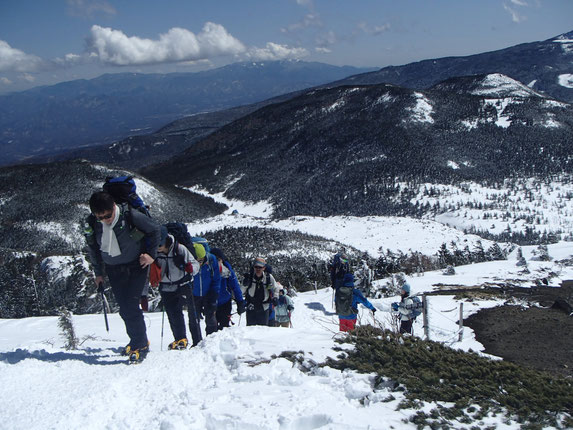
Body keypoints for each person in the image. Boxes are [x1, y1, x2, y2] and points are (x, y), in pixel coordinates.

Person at [84, 191, 161, 363]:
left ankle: (140, 344)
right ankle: (137, 339)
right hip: (113, 269)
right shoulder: (93, 224)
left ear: (114, 207)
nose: (106, 220)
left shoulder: (130, 215)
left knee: (131, 305)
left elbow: (155, 230)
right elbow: (93, 249)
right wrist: (98, 273)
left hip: (136, 265)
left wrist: (151, 255)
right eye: (101, 217)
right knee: (124, 308)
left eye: (108, 215)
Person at [152, 226, 201, 349]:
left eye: (160, 245)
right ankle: (180, 339)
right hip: (166, 286)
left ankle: (198, 342)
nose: (158, 248)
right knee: (173, 314)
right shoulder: (155, 252)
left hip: (183, 284)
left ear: (166, 241)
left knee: (192, 314)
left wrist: (191, 270)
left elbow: (195, 264)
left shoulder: (180, 249)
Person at [210, 248, 246, 330]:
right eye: (214, 259)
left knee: (224, 327)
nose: (216, 262)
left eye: (218, 259)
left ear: (222, 260)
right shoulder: (208, 270)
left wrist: (240, 302)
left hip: (224, 303)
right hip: (211, 302)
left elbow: (235, 286)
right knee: (211, 328)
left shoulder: (227, 271)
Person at [192, 243, 221, 339]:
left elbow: (217, 279)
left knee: (211, 318)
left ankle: (211, 340)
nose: (199, 263)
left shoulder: (212, 260)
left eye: (200, 261)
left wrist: (214, 294)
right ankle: (196, 341)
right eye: (196, 261)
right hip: (194, 294)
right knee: (194, 320)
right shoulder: (189, 261)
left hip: (209, 293)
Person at [243, 257, 278, 326]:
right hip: (251, 307)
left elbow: (275, 288)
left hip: (264, 308)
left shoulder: (269, 277)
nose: (258, 269)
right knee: (250, 330)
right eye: (256, 267)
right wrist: (244, 284)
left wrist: (275, 297)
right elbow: (241, 291)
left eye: (260, 267)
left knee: (262, 331)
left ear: (264, 268)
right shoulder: (249, 278)